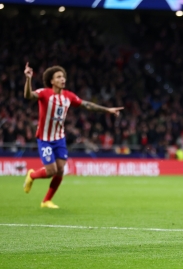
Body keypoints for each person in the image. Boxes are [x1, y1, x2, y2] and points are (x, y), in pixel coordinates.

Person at [22, 62, 123, 208]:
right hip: (45, 139)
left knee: (61, 169)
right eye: (58, 77)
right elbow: (28, 96)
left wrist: (108, 110)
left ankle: (46, 201)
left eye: (63, 77)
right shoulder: (44, 93)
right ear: (52, 81)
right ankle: (31, 175)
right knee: (51, 171)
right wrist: (28, 79)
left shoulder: (68, 96)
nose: (63, 79)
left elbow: (87, 105)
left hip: (60, 138)